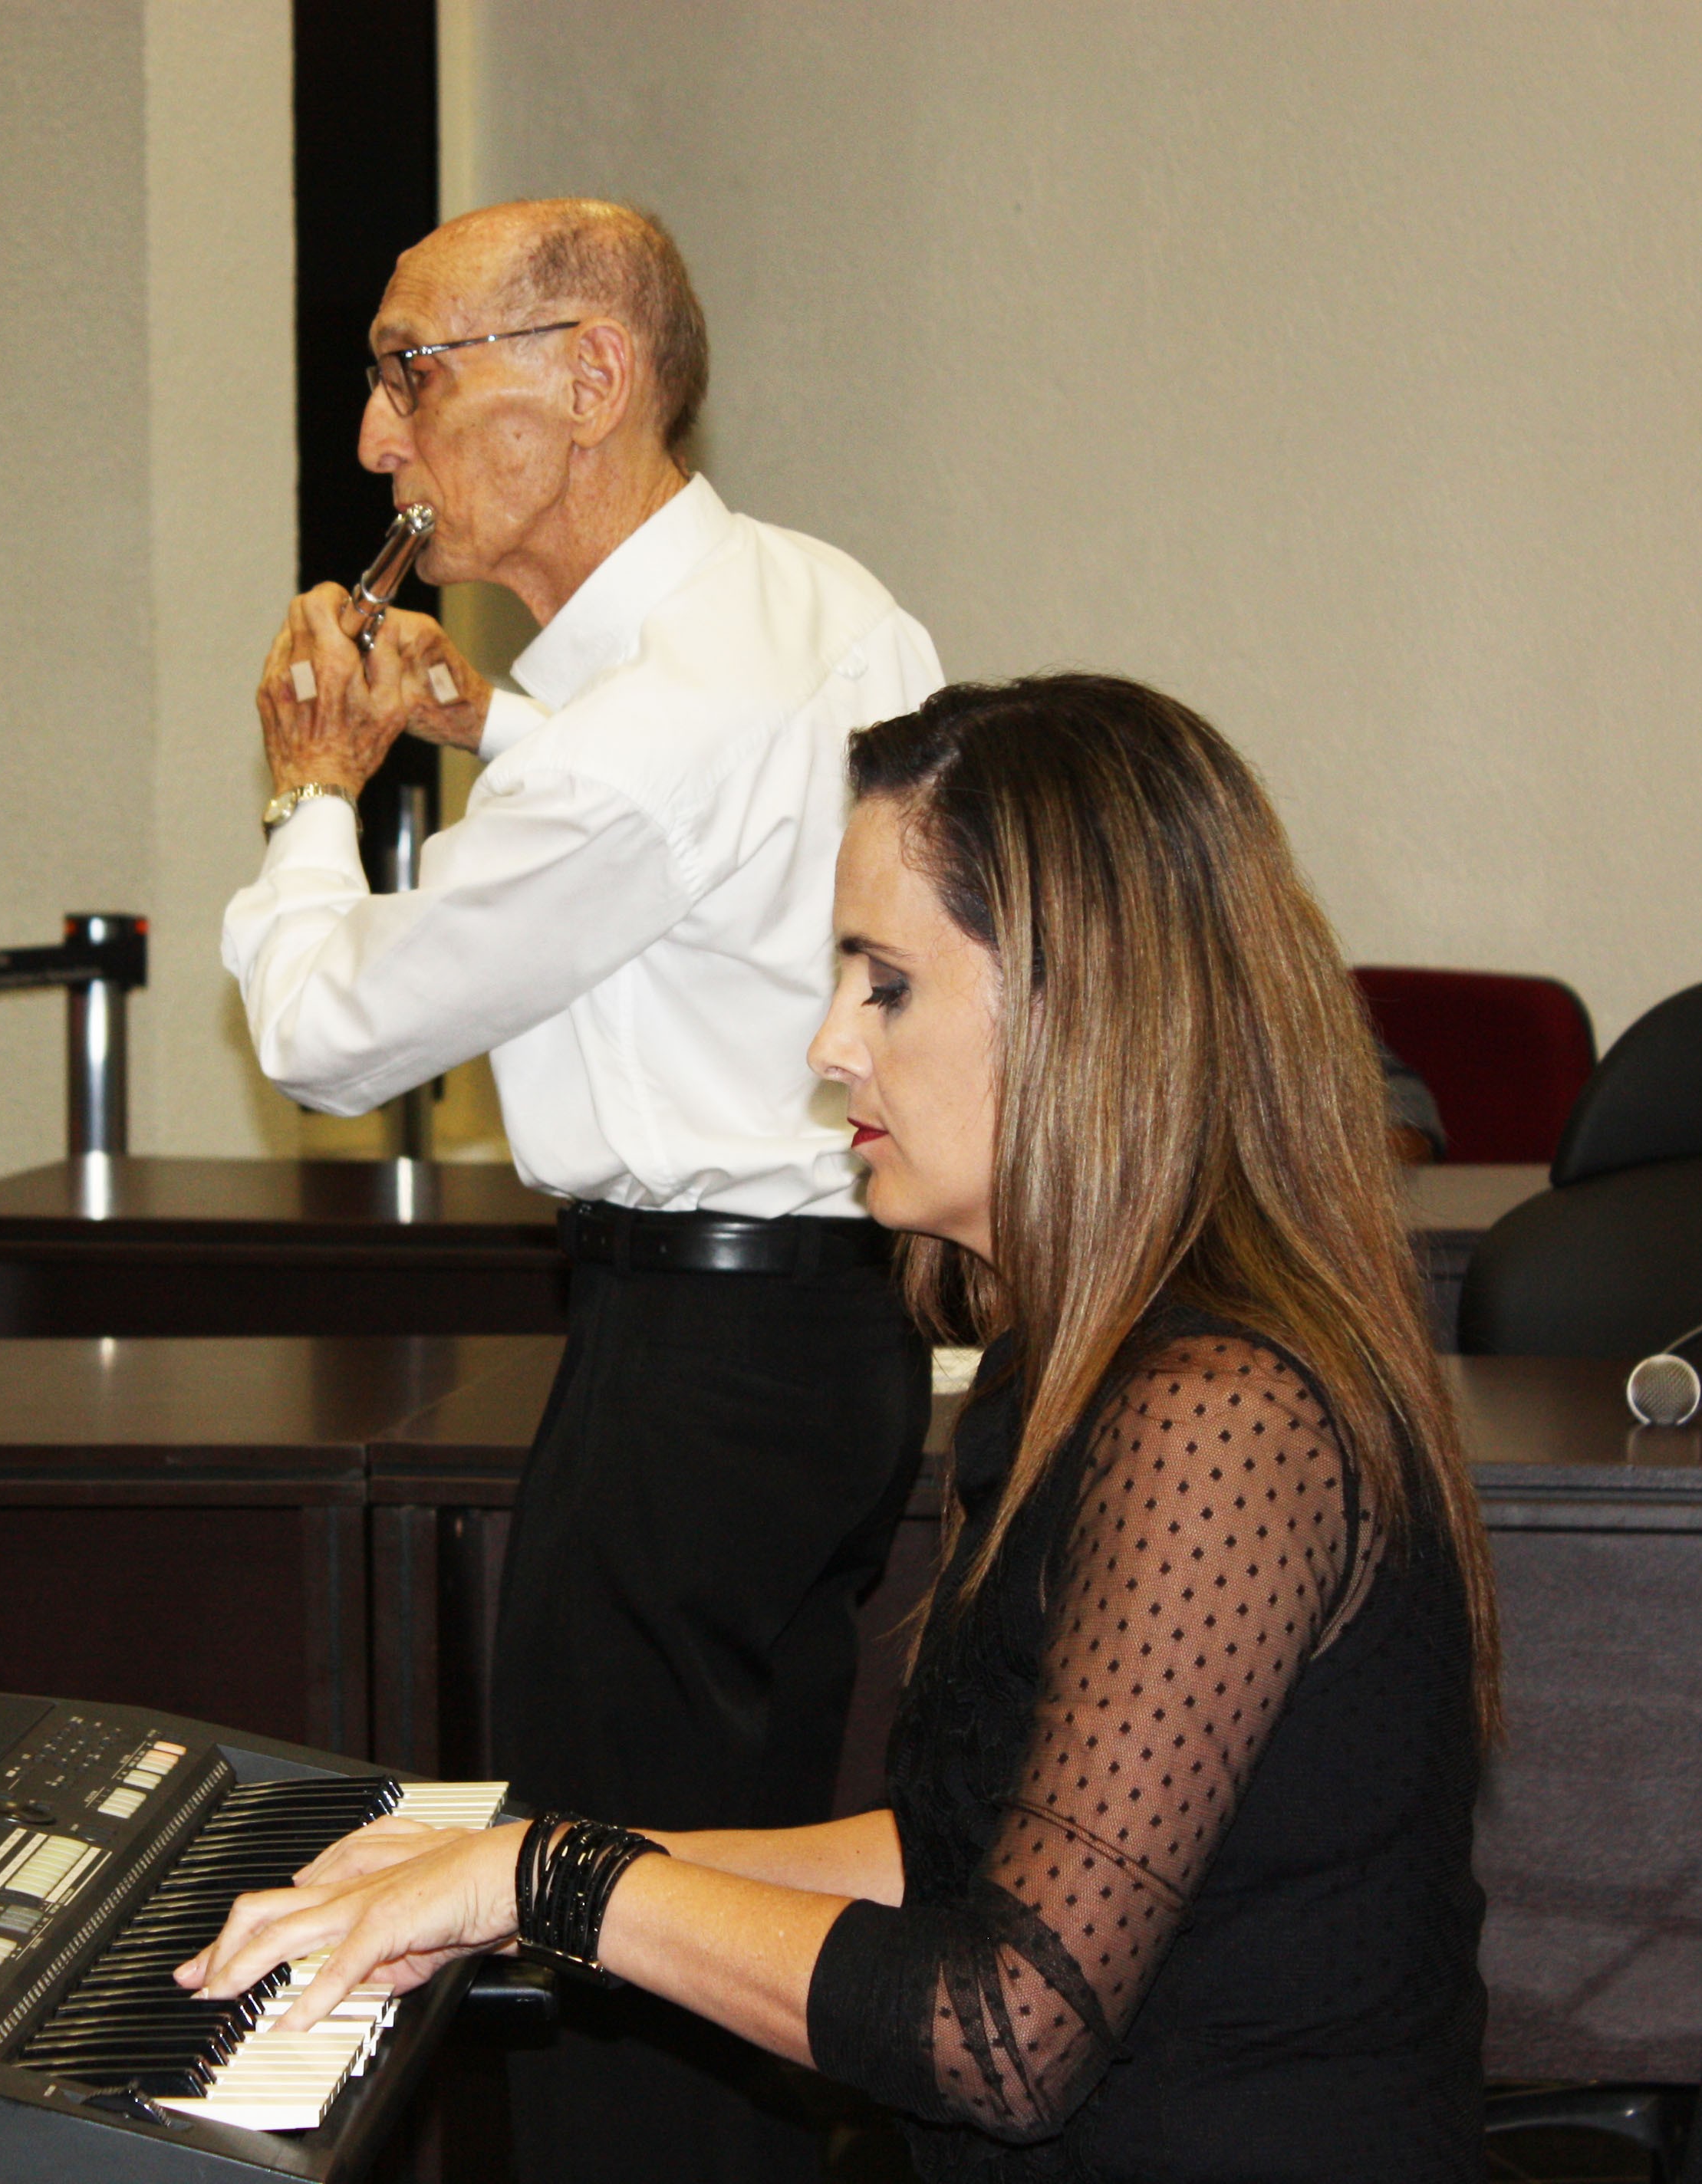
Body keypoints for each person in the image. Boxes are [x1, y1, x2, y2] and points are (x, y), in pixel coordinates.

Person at [186, 674, 1499, 2182]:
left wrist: (554, 1881)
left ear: (1080, 1005)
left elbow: (1002, 2031)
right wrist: (500, 1868)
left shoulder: (1222, 1416)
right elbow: (951, 1856)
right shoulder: (1064, 1363)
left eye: (885, 983)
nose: (827, 1042)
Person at [220, 198, 945, 2178]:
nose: (376, 438)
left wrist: (311, 792)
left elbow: (327, 1032)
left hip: (687, 1374)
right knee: (738, 1910)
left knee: (613, 1940)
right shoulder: (821, 604)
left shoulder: (632, 741)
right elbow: (705, 860)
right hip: (833, 1345)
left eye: (410, 372)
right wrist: (490, 724)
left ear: (594, 378)